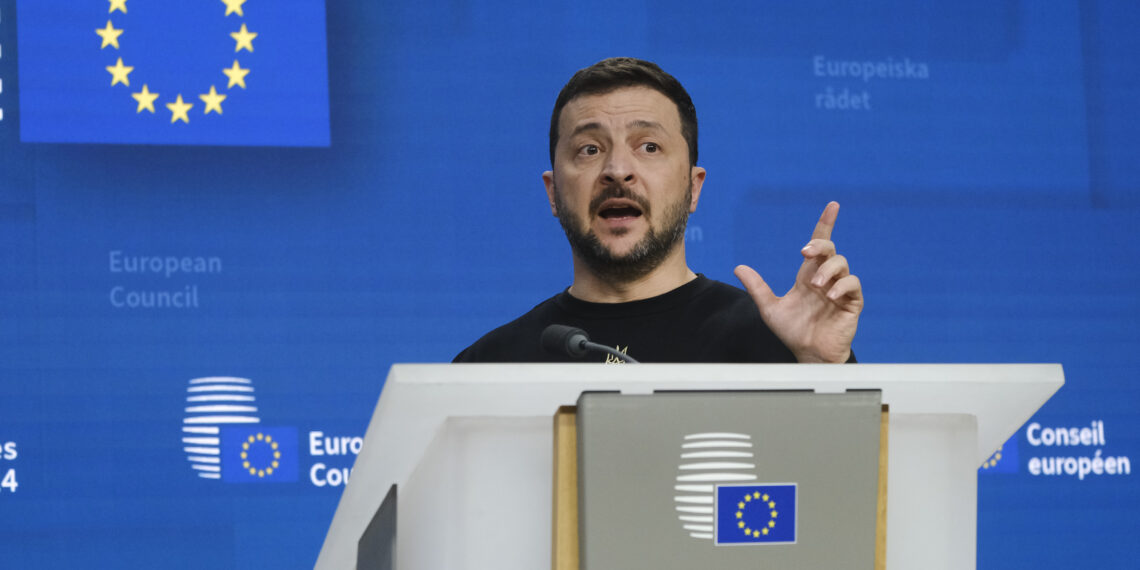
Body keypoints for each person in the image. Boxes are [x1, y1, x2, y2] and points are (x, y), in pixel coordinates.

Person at [454, 57, 862, 363]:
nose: (617, 170)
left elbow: (850, 455)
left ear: (693, 187)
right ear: (553, 193)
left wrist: (822, 368)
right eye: (589, 149)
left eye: (649, 147)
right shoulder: (490, 366)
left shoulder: (776, 344)